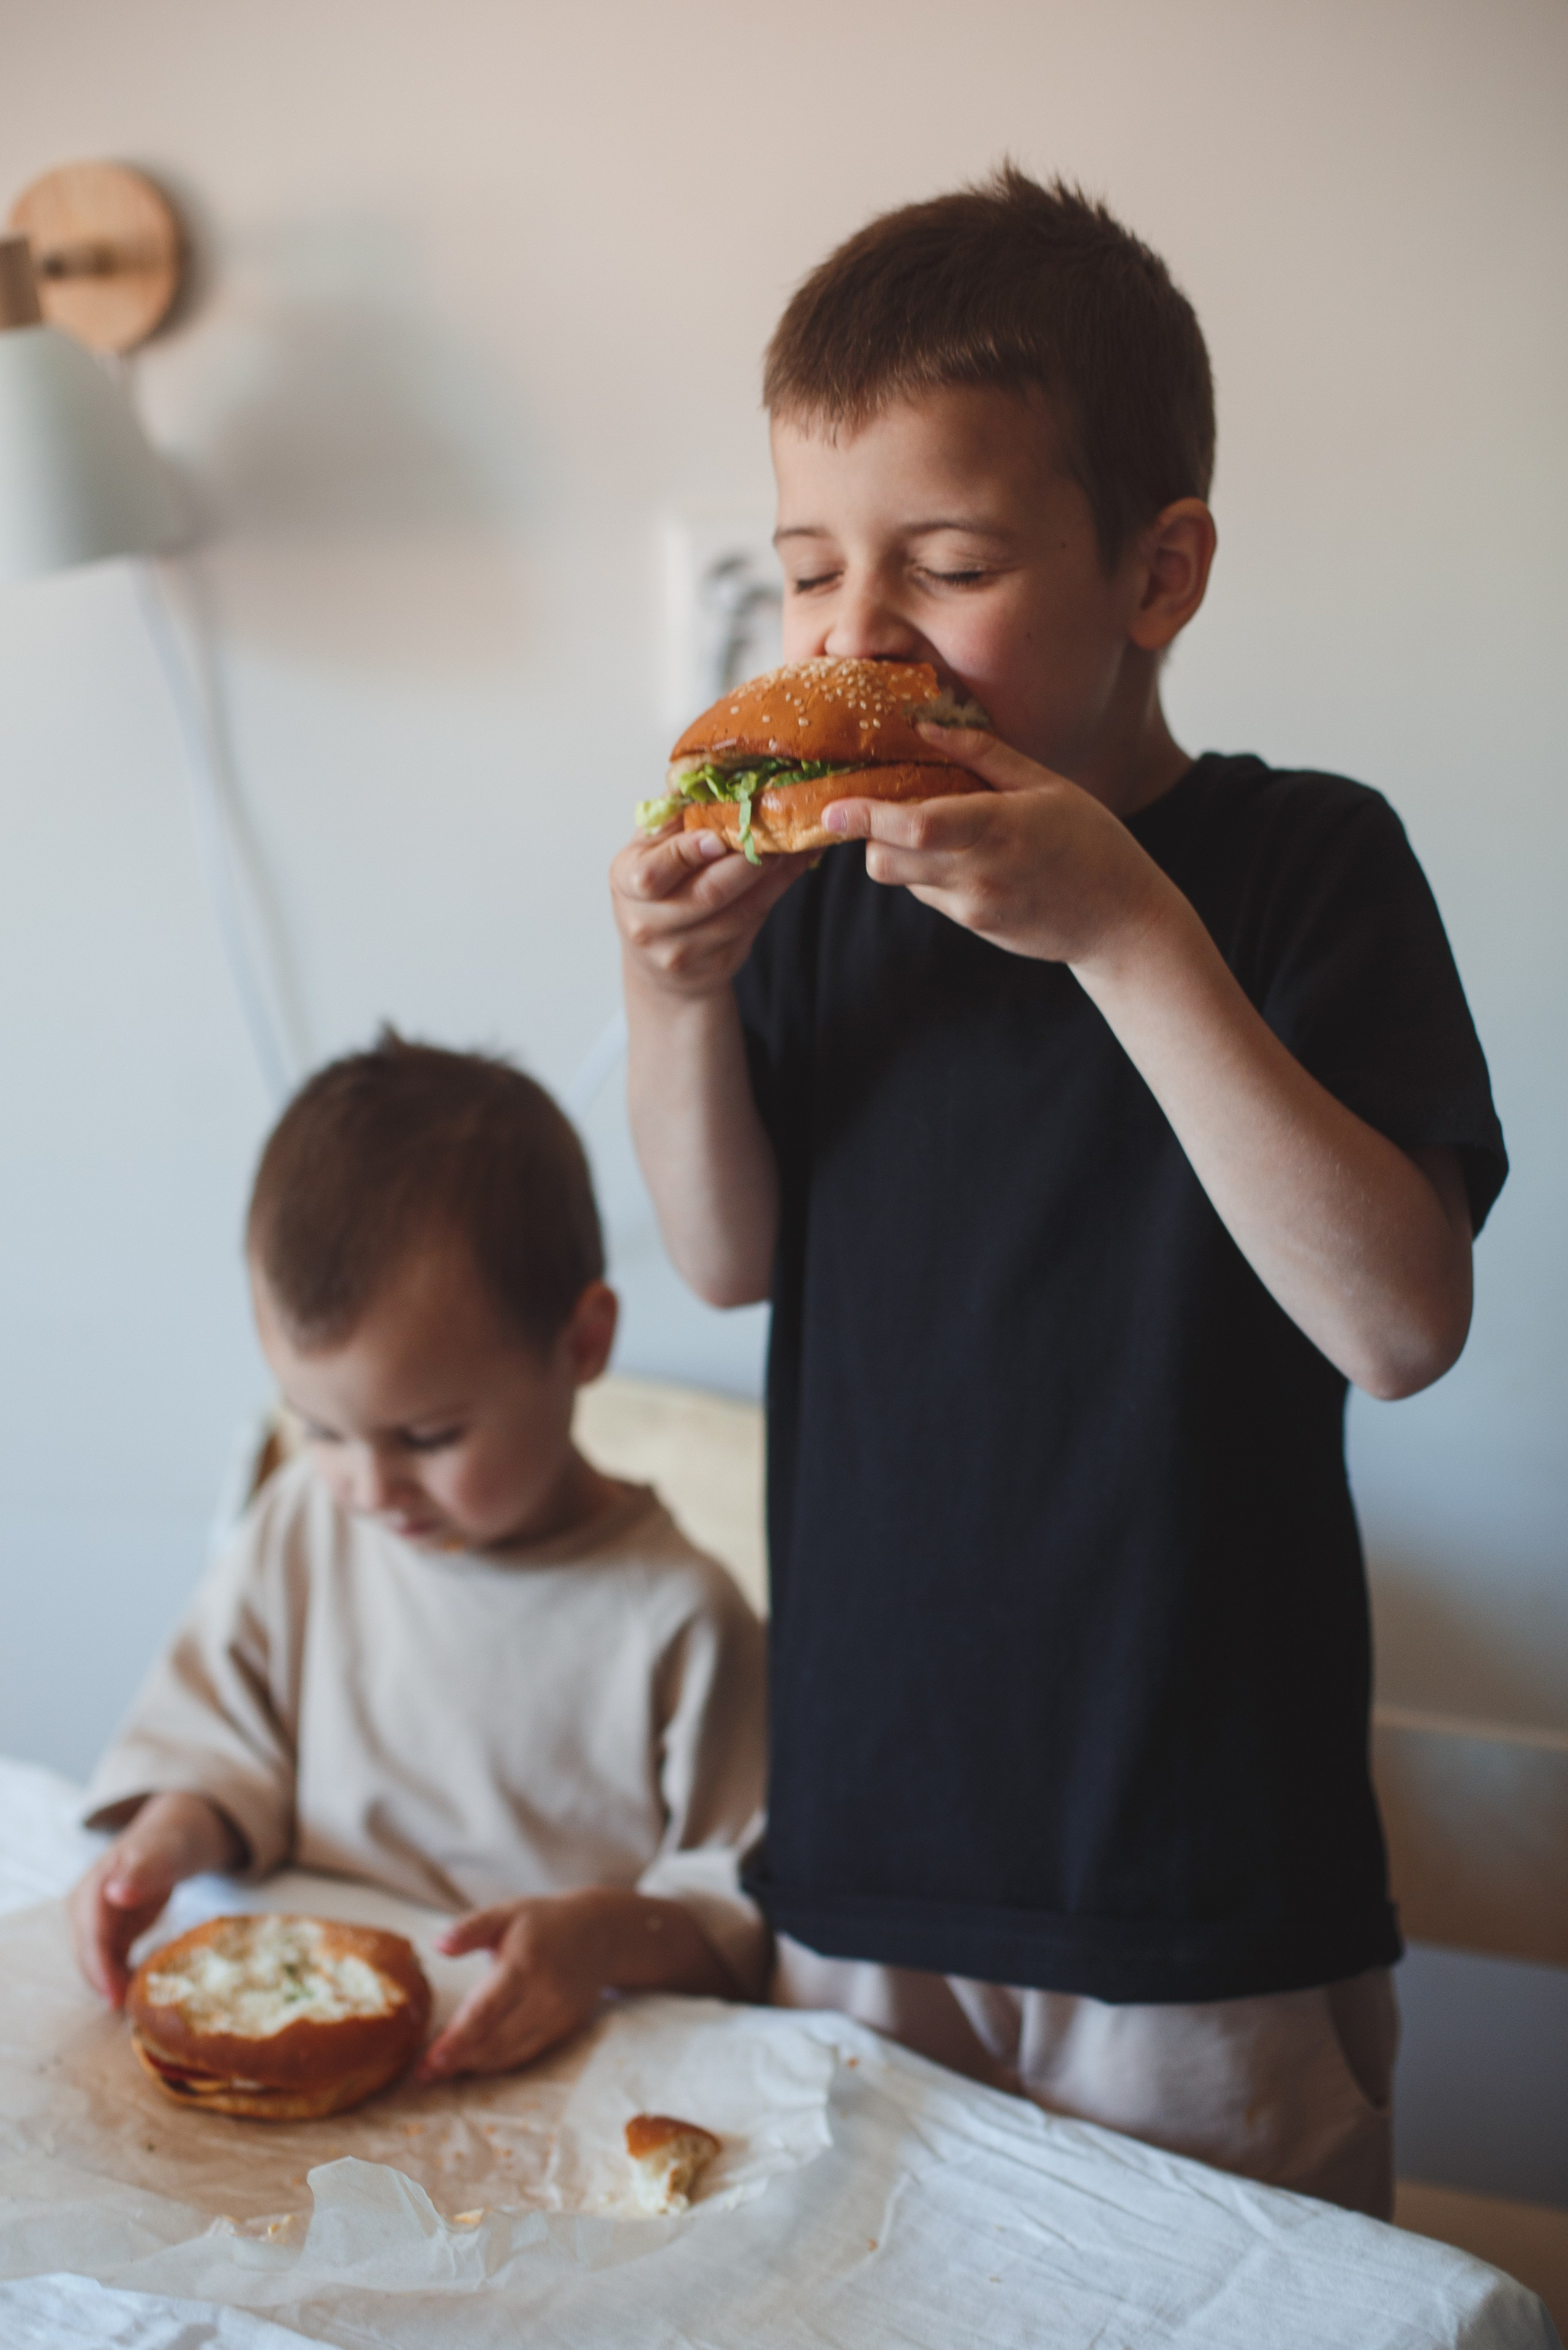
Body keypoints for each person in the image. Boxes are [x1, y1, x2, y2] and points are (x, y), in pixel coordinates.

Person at [609, 167, 1507, 2215]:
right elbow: (729, 1259)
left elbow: (1400, 1321)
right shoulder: (826, 904)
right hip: (862, 1853)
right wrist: (674, 996)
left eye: (944, 562)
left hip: (1203, 1894)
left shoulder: (1303, 868)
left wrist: (1128, 935)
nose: (856, 634)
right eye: (812, 571)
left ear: (1157, 570)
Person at [70, 1032, 766, 2081]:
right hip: (296, 2028)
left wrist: (598, 1937)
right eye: (320, 1427)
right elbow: (220, 1739)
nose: (367, 1485)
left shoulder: (681, 1616)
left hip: (545, 2074)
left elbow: (737, 1917)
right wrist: (173, 1834)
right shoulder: (307, 1519)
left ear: (583, 1345)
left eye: (428, 1438)